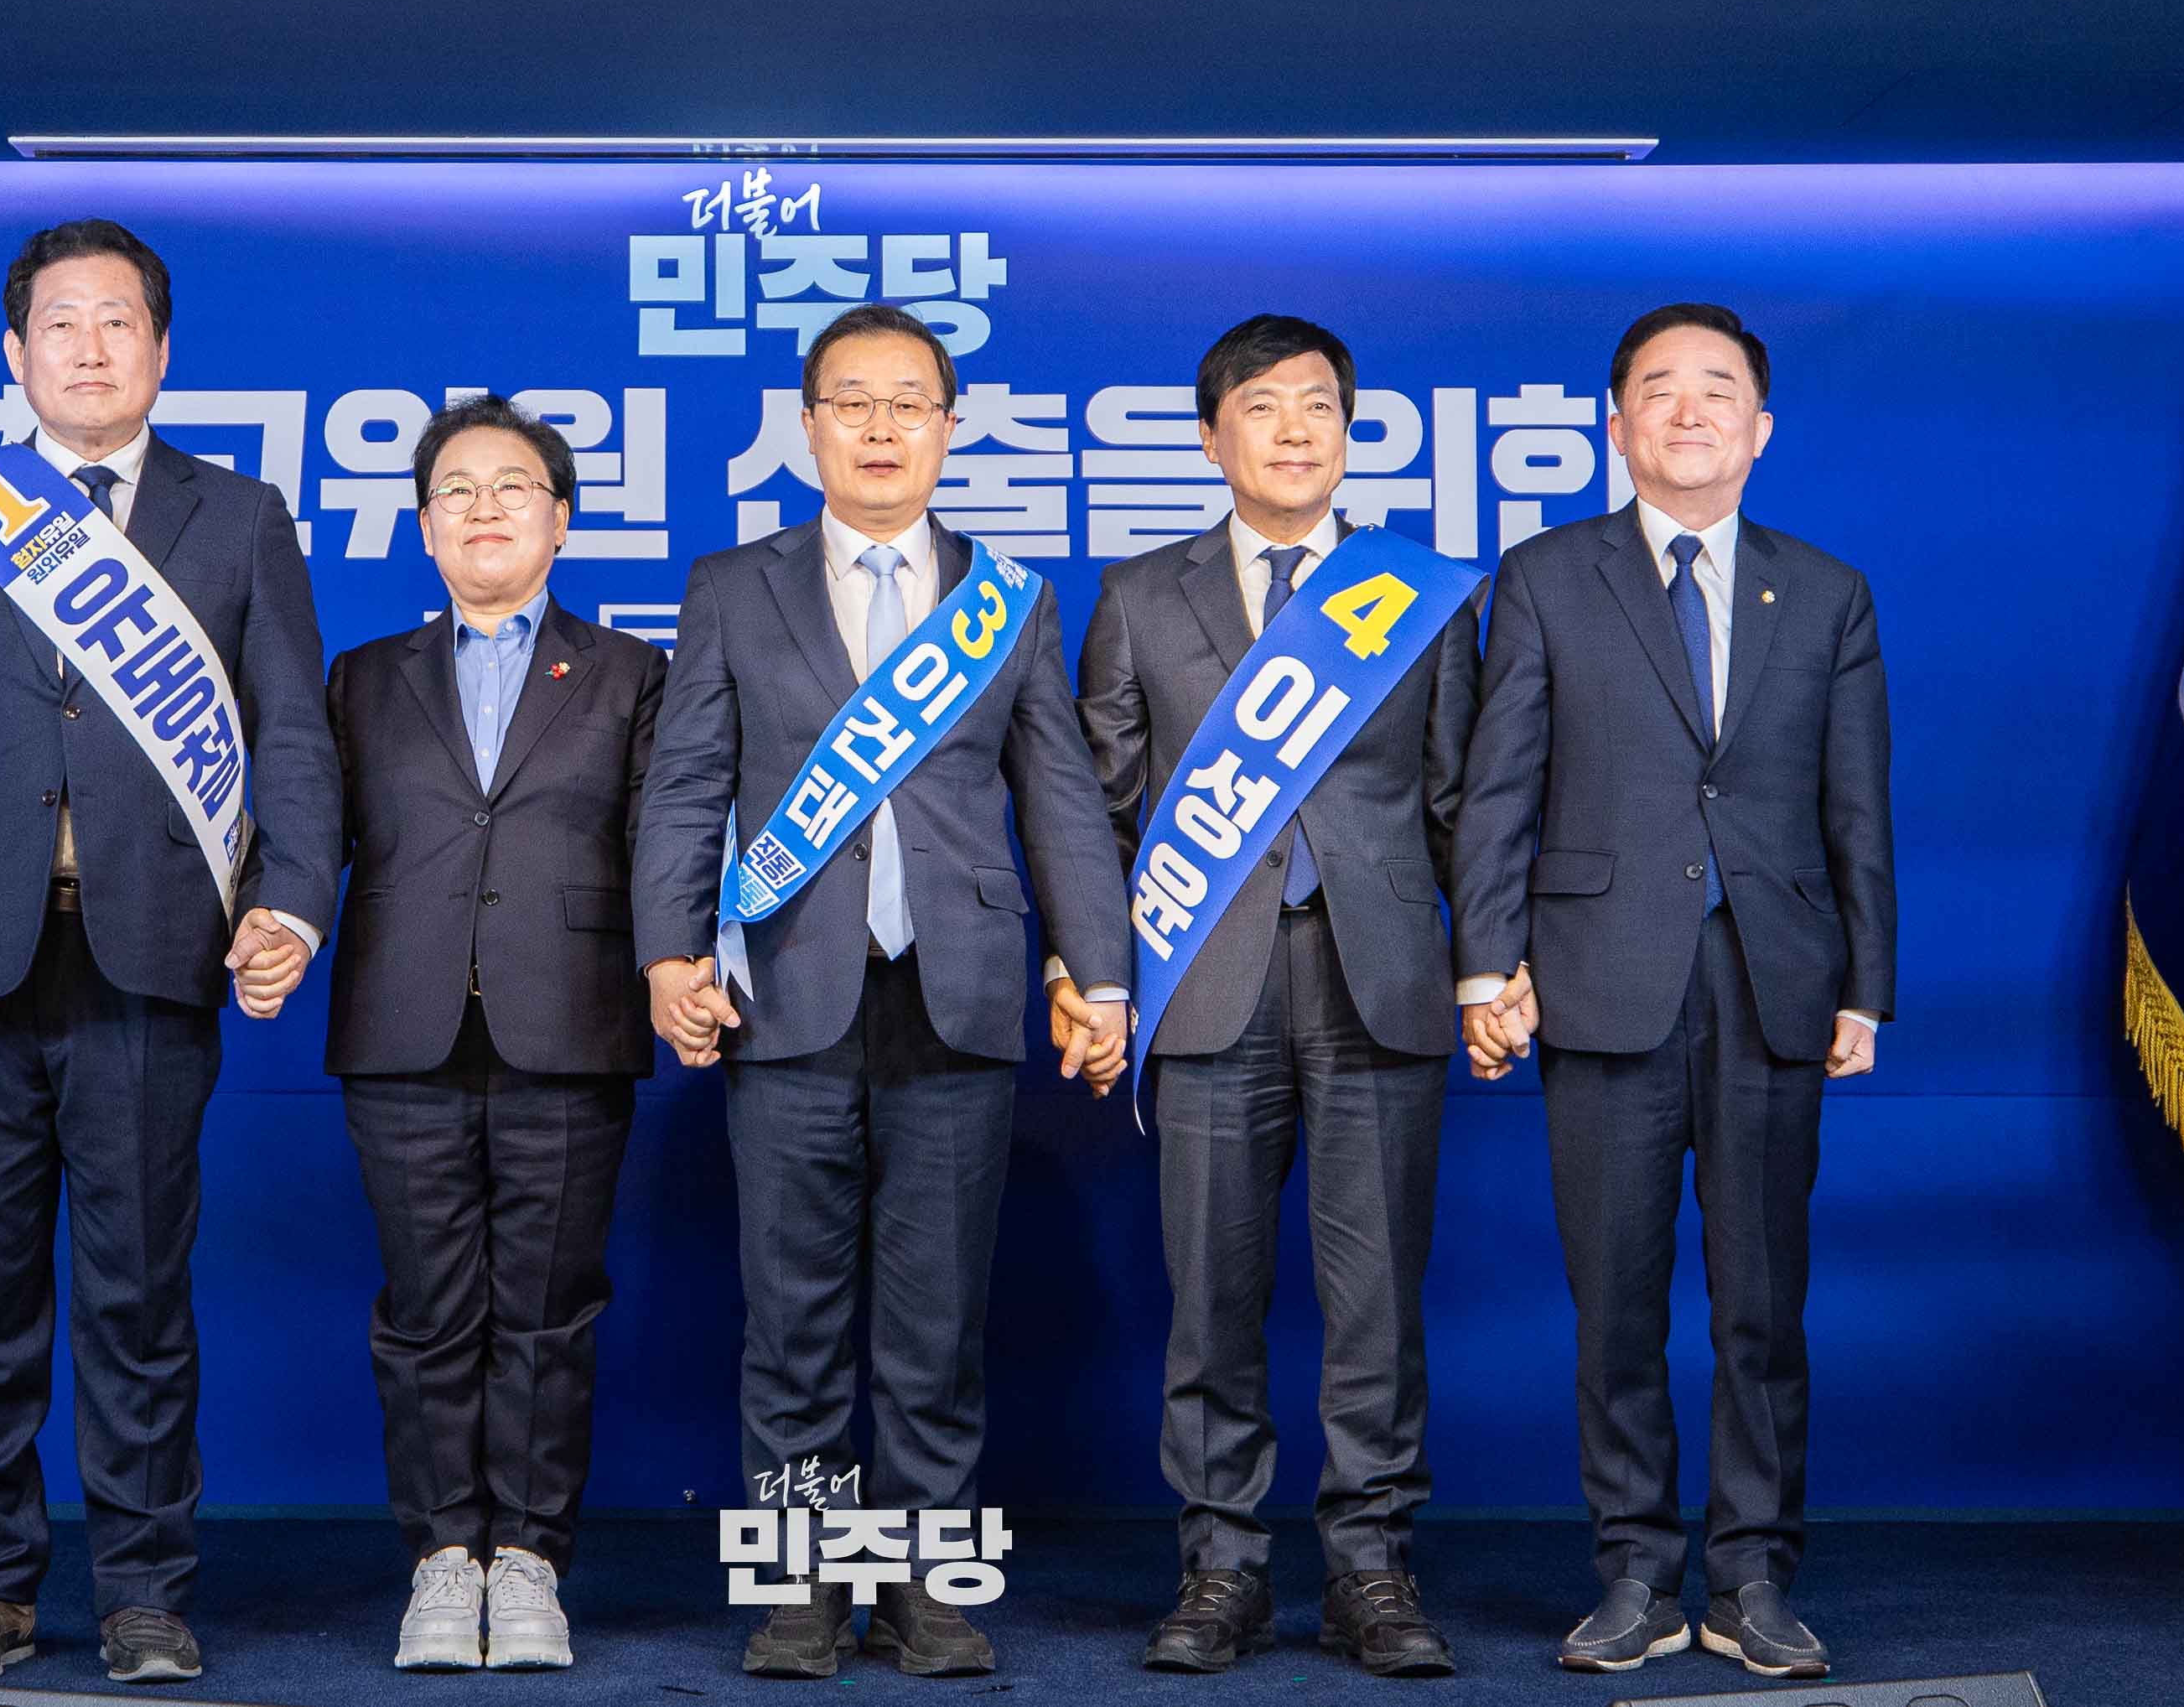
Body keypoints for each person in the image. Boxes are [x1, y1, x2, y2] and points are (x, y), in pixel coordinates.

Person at [0, 218, 342, 1687]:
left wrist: (292, 899)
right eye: (62, 323)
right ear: (16, 352)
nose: (91, 347)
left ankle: (145, 1593)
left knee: (139, 1294)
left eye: (119, 322)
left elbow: (294, 733)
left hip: (155, 952)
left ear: (162, 351)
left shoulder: (242, 517)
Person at [630, 304, 1131, 1680]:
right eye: (851, 402)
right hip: (786, 991)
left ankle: (924, 1582)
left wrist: (1097, 971)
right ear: (808, 428)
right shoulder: (735, 585)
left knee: (936, 1325)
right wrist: (670, 953)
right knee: (791, 1318)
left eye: (909, 402)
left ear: (950, 428)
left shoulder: (1009, 599)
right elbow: (685, 782)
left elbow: (1063, 801)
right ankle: (802, 1584)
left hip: (957, 994)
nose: (880, 427)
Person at [1451, 303, 1895, 1682]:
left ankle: (1754, 1575)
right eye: (1659, 389)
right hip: (1597, 981)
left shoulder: (1826, 591)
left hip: (1775, 980)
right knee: (1615, 1301)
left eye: (1718, 390)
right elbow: (1498, 788)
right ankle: (1635, 1572)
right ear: (1617, 424)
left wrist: (1866, 986)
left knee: (1763, 1304)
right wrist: (1486, 963)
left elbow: (1858, 807)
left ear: (1761, 429)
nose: (1689, 411)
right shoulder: (1545, 576)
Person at [1071, 315, 1481, 1679]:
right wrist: (1095, 976)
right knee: (1213, 1296)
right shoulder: (1140, 596)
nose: (1294, 428)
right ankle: (1221, 1566)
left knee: (1377, 1304)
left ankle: (1371, 1565)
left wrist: (1491, 961)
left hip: (1382, 978)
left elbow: (1463, 804)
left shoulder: (1416, 594)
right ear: (1212, 437)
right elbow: (1100, 813)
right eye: (1262, 405)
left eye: (1318, 406)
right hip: (1205, 981)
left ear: (1350, 434)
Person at [321, 396, 667, 1674]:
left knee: (548, 1310)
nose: (484, 508)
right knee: (423, 1310)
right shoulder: (362, 678)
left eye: (513, 486)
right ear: (422, 527)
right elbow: (307, 840)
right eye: (455, 490)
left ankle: (527, 1558)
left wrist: (683, 968)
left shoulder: (631, 673)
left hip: (569, 1023)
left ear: (561, 519)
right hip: (400, 1027)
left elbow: (666, 845)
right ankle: (439, 1556)